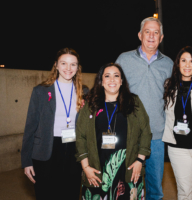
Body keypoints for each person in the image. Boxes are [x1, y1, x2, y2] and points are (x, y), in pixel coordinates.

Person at [115, 17, 173, 200]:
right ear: (140, 35)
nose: (151, 36)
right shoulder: (123, 59)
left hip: (157, 136)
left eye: (156, 32)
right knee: (127, 187)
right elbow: (109, 87)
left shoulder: (169, 64)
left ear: (161, 37)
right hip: (129, 135)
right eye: (147, 31)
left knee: (155, 189)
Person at [75, 63, 152, 200]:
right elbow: (81, 136)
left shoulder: (134, 102)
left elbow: (145, 131)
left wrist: (140, 160)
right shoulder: (90, 103)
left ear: (121, 81)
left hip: (128, 168)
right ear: (101, 81)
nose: (112, 80)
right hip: (96, 169)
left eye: (116, 76)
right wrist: (85, 167)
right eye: (107, 76)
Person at [21, 47, 83, 200]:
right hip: (46, 151)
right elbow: (30, 127)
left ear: (78, 67)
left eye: (73, 64)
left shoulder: (84, 92)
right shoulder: (41, 91)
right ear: (56, 65)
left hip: (73, 151)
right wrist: (26, 161)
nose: (68, 68)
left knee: (70, 194)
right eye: (63, 63)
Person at [162, 46, 192, 200]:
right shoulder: (169, 85)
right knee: (184, 193)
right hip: (177, 149)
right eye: (183, 61)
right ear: (177, 63)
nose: (187, 65)